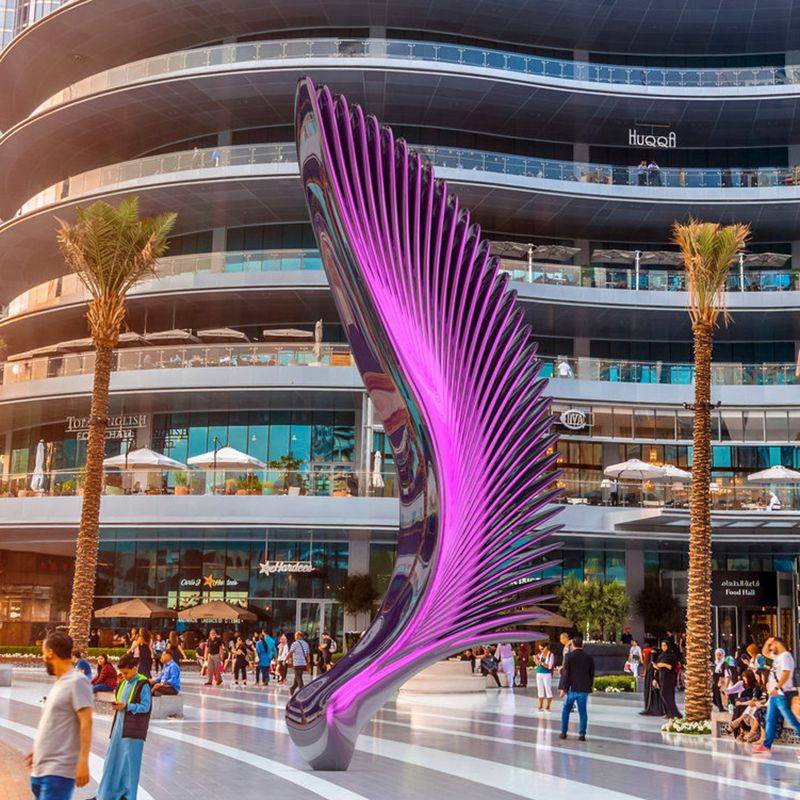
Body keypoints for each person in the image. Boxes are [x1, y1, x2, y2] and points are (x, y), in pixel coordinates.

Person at [26, 632, 92, 800]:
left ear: (50, 652)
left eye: (43, 653)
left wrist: (83, 762)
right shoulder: (60, 683)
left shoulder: (77, 681)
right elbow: (55, 724)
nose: (42, 658)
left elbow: (86, 721)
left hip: (58, 771)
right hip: (41, 768)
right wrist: (38, 750)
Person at [96, 652, 152, 800]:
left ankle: (127, 795)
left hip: (132, 731)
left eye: (126, 673)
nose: (124, 676)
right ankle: (107, 793)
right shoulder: (122, 682)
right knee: (112, 761)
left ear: (135, 668)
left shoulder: (142, 684)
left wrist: (127, 706)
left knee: (129, 765)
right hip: (118, 729)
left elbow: (145, 707)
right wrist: (119, 706)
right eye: (122, 673)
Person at [753, 636, 800, 753]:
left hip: (782, 694)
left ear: (778, 644)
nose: (770, 648)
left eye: (772, 645)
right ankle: (766, 745)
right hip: (775, 695)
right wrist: (768, 641)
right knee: (770, 719)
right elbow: (764, 653)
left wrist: (777, 687)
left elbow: (786, 673)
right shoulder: (777, 657)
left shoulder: (786, 657)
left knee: (792, 719)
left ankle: (766, 744)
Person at [558, 634, 594, 741]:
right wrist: (589, 686)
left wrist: (563, 688)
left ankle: (563, 732)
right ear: (582, 645)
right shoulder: (589, 658)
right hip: (583, 689)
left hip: (571, 689)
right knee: (583, 712)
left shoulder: (568, 657)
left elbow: (565, 674)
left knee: (566, 710)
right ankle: (582, 734)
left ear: (573, 645)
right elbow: (591, 674)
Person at [654, 639, 681, 719]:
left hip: (669, 678)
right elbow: (658, 667)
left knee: (666, 695)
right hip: (662, 678)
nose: (663, 647)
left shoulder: (672, 656)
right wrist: (656, 667)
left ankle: (674, 713)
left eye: (665, 646)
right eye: (662, 646)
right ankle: (668, 713)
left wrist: (663, 664)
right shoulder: (661, 655)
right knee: (663, 695)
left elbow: (672, 667)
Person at [288, 631, 311, 696]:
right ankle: (292, 689)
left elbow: (290, 653)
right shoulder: (306, 644)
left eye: (295, 635)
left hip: (297, 663)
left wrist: (285, 660)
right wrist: (308, 662)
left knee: (298, 677)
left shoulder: (294, 644)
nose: (294, 637)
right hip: (303, 663)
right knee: (298, 677)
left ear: (299, 636)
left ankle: (302, 691)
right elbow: (307, 654)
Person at [533, 642, 555, 710]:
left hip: (547, 674)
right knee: (540, 689)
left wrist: (541, 663)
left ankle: (548, 706)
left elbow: (549, 666)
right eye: (540, 648)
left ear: (546, 647)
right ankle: (540, 705)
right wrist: (536, 661)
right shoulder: (540, 654)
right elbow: (537, 664)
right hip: (539, 673)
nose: (541, 650)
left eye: (542, 648)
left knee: (548, 689)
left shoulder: (551, 655)